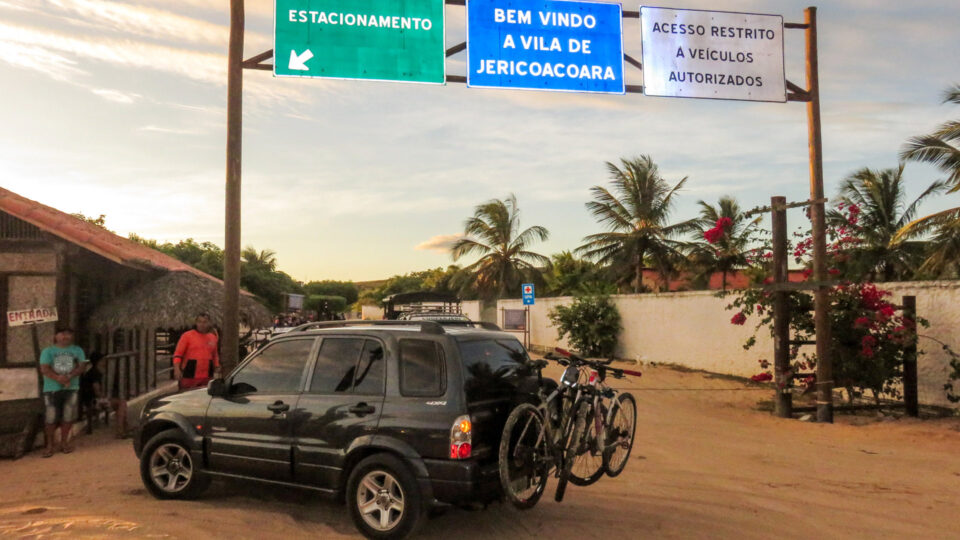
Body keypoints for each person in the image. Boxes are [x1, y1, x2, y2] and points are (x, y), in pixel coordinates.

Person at [38, 327, 88, 457]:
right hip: (51, 389)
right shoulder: (48, 351)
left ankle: (64, 442)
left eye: (68, 334)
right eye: (62, 334)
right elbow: (44, 368)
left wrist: (69, 377)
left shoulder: (77, 350)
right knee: (50, 417)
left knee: (68, 416)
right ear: (56, 336)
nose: (65, 337)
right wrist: (59, 378)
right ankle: (50, 445)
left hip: (71, 387)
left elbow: (82, 366)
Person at [79, 352, 128, 438]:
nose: (105, 362)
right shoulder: (95, 373)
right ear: (98, 361)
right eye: (103, 360)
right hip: (93, 401)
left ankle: (124, 428)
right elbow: (97, 391)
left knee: (121, 403)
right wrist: (106, 398)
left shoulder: (93, 372)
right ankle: (120, 430)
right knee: (121, 403)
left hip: (90, 399)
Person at [173, 313, 220, 391]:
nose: (202, 324)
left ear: (209, 323)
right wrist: (176, 369)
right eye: (199, 322)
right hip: (189, 376)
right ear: (196, 323)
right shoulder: (187, 336)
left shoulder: (213, 337)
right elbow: (178, 355)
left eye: (205, 322)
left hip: (207, 376)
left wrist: (217, 366)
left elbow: (215, 355)